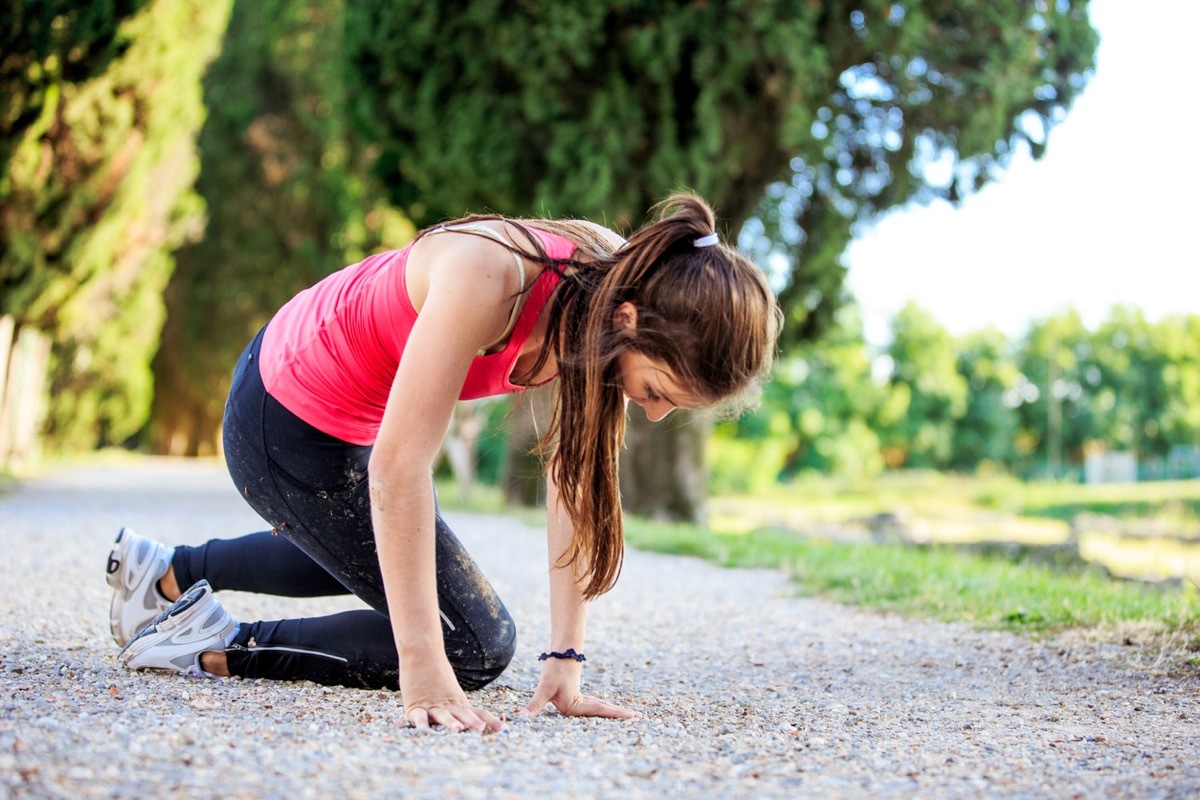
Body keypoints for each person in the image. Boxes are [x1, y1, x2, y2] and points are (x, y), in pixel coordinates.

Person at [106, 193, 781, 733]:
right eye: (659, 392)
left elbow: (573, 481)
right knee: (474, 644)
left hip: (338, 412)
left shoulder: (612, 300)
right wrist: (421, 667)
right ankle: (205, 644)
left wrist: (566, 661)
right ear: (632, 320)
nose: (654, 413)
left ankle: (167, 574)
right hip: (284, 414)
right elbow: (398, 472)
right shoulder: (493, 276)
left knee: (373, 553)